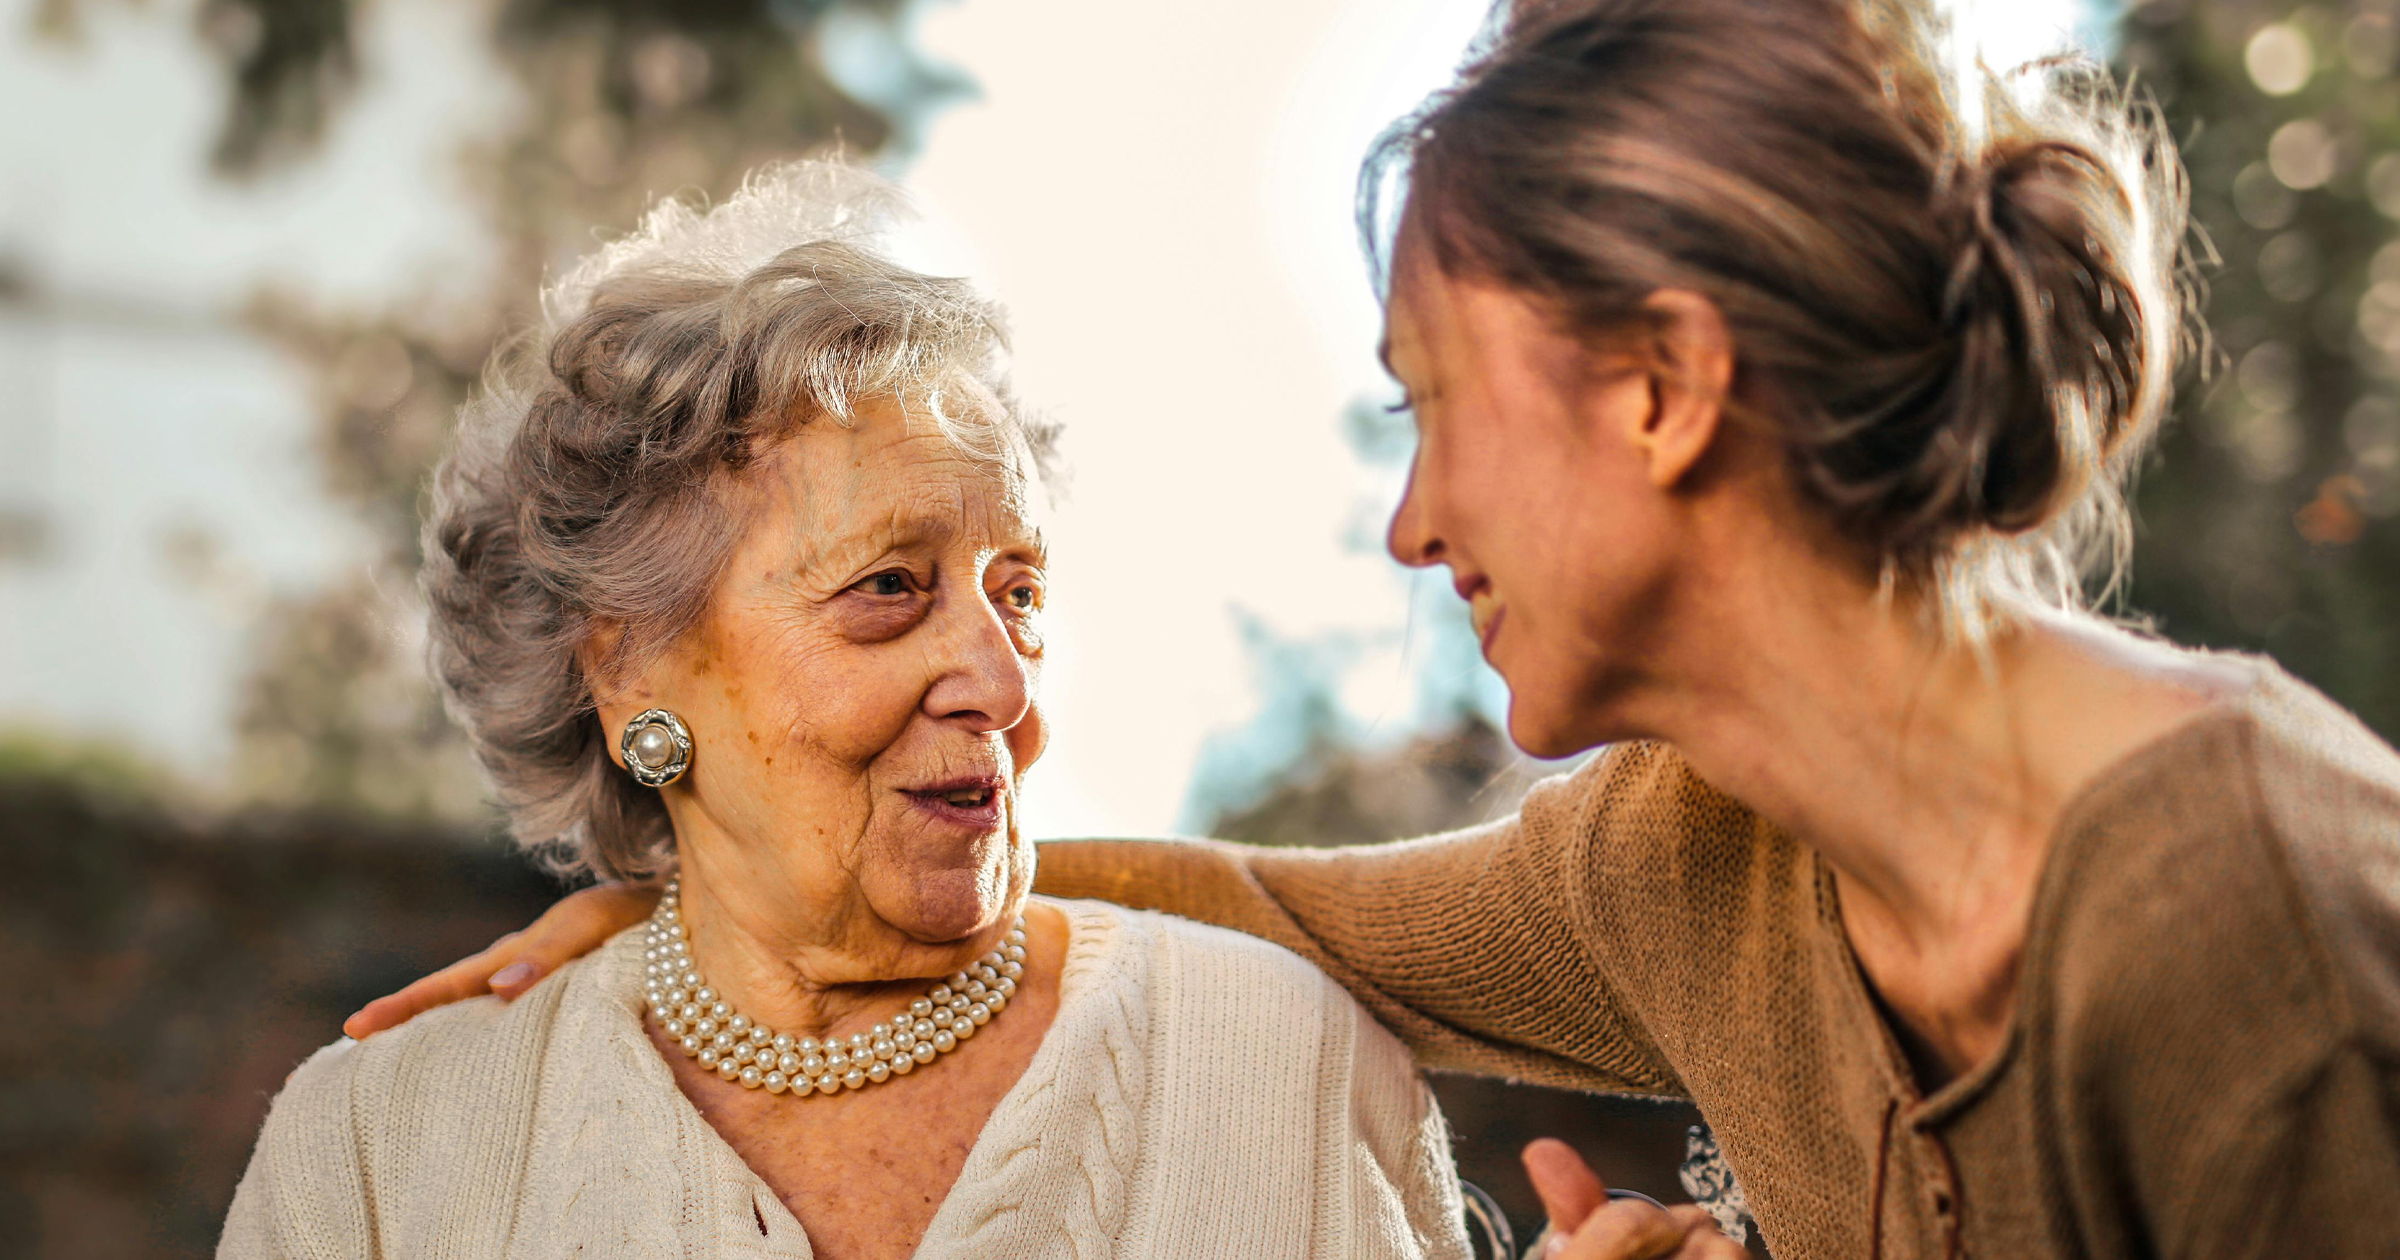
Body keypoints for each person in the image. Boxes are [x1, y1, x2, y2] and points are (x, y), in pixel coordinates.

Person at [351, 0, 2400, 1257]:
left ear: (1665, 389)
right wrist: (741, 888)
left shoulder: (2248, 918)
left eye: (1434, 403)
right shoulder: (1688, 864)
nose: (1413, 525)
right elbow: (1276, 913)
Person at [217, 163, 1479, 1260]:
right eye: (888, 587)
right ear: (629, 673)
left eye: (1020, 591)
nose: (1004, 685)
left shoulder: (1283, 1068)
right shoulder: (376, 1153)